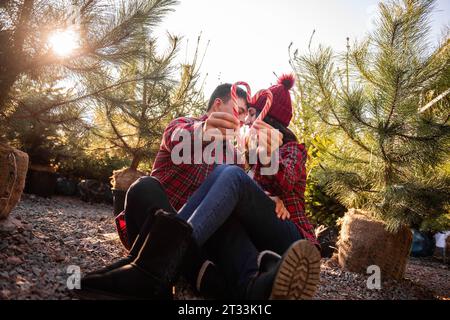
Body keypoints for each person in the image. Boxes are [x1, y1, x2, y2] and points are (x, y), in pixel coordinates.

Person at [75, 79, 320, 300]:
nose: (245, 120)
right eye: (241, 111)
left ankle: (155, 269)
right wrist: (204, 132)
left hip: (203, 234)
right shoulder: (185, 125)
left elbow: (248, 194)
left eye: (249, 115)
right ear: (217, 105)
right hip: (157, 223)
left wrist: (268, 194)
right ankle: (175, 269)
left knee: (229, 204)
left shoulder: (237, 157)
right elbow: (177, 138)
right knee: (144, 188)